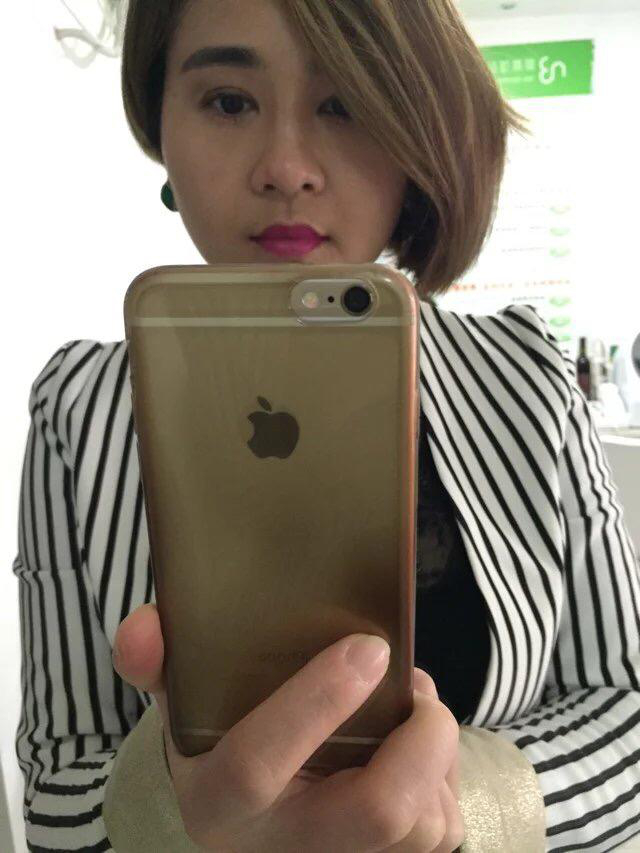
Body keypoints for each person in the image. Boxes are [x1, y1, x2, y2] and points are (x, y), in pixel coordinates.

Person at [12, 0, 640, 850]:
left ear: (416, 135)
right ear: (159, 123)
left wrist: (461, 807)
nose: (286, 168)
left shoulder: (526, 373)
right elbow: (53, 778)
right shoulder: (75, 404)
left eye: (346, 103)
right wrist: (171, 813)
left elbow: (626, 707)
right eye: (229, 100)